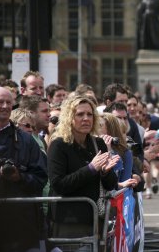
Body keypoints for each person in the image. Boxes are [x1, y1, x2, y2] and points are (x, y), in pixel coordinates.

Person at [47, 95, 119, 238]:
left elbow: (111, 185)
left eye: (89, 114)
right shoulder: (58, 145)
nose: (86, 118)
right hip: (69, 221)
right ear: (69, 117)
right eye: (80, 114)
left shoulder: (98, 143)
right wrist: (91, 168)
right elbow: (59, 184)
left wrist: (105, 172)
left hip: (95, 219)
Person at [0, 87, 48, 252]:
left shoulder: (26, 141)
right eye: (0, 101)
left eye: (9, 102)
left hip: (20, 227)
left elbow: (40, 179)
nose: (5, 106)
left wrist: (19, 177)